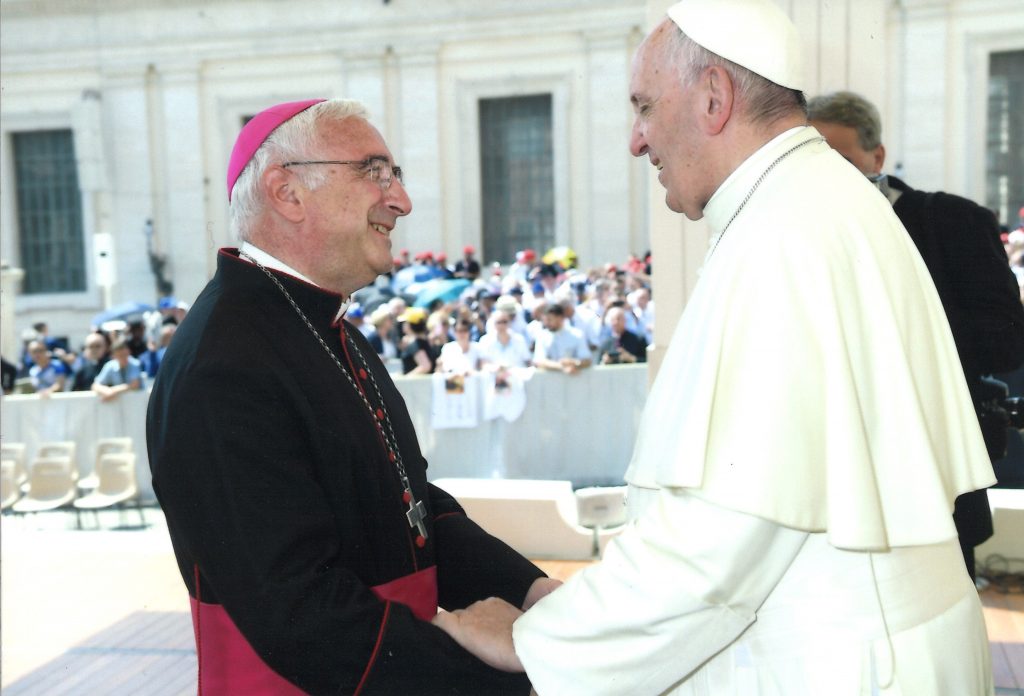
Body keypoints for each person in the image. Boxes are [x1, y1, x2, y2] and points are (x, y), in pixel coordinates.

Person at [430, 1, 997, 693]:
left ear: (713, 97)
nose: (637, 141)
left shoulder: (782, 235)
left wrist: (538, 639)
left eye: (643, 106)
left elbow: (723, 540)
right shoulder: (818, 200)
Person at [146, 98, 556, 695]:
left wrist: (534, 593)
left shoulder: (329, 328)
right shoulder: (221, 363)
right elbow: (296, 610)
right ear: (287, 192)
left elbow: (411, 507)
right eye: (373, 171)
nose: (400, 200)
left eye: (396, 175)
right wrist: (480, 666)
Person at [808, 90, 1024, 582]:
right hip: (833, 478)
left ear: (876, 156)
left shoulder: (954, 223)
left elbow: (1007, 342)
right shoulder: (797, 234)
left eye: (838, 160)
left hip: (933, 471)